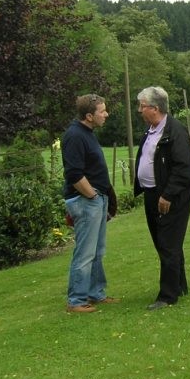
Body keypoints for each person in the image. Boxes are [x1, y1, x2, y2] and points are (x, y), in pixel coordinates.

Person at [134, 86, 190, 310]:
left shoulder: (174, 132)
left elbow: (183, 168)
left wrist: (168, 194)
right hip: (152, 193)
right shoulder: (152, 130)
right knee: (166, 242)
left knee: (168, 243)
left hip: (170, 196)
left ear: (155, 108)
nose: (139, 110)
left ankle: (168, 296)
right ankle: (179, 284)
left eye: (142, 106)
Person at [62, 93, 116, 313]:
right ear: (89, 116)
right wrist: (92, 196)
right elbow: (74, 174)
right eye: (102, 111)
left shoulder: (87, 133)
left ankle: (95, 293)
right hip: (86, 202)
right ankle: (76, 300)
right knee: (85, 252)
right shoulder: (74, 136)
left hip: (96, 200)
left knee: (97, 251)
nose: (106, 114)